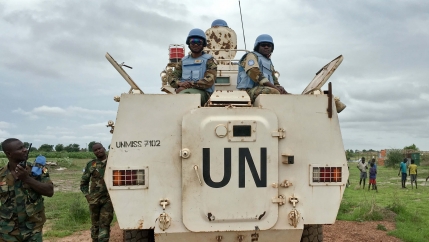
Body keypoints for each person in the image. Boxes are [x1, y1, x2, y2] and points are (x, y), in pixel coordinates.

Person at [0, 138, 54, 241]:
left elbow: (49, 191)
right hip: (7, 231)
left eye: (24, 147)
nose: (25, 150)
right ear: (9, 154)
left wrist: (27, 179)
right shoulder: (1, 174)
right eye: (20, 148)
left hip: (33, 230)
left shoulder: (38, 169)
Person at [168, 28, 217, 106]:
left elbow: (209, 80)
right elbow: (171, 78)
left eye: (199, 42)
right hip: (183, 91)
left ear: (203, 44)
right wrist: (179, 84)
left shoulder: (209, 60)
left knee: (185, 96)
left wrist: (189, 85)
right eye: (193, 42)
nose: (196, 44)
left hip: (203, 93)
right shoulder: (183, 61)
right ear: (189, 43)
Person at [237, 34, 288, 103]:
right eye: (263, 45)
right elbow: (254, 73)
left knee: (288, 96)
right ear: (258, 46)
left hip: (264, 89)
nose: (266, 47)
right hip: (248, 91)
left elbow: (274, 79)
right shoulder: (251, 56)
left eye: (269, 45)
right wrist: (274, 88)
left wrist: (279, 87)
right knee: (273, 92)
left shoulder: (269, 62)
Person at [81, 143, 113, 242]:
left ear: (103, 148)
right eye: (95, 150)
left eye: (99, 148)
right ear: (93, 152)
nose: (98, 151)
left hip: (108, 199)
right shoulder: (91, 164)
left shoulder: (112, 162)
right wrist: (88, 196)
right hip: (94, 200)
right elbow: (83, 183)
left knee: (104, 224)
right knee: (95, 225)